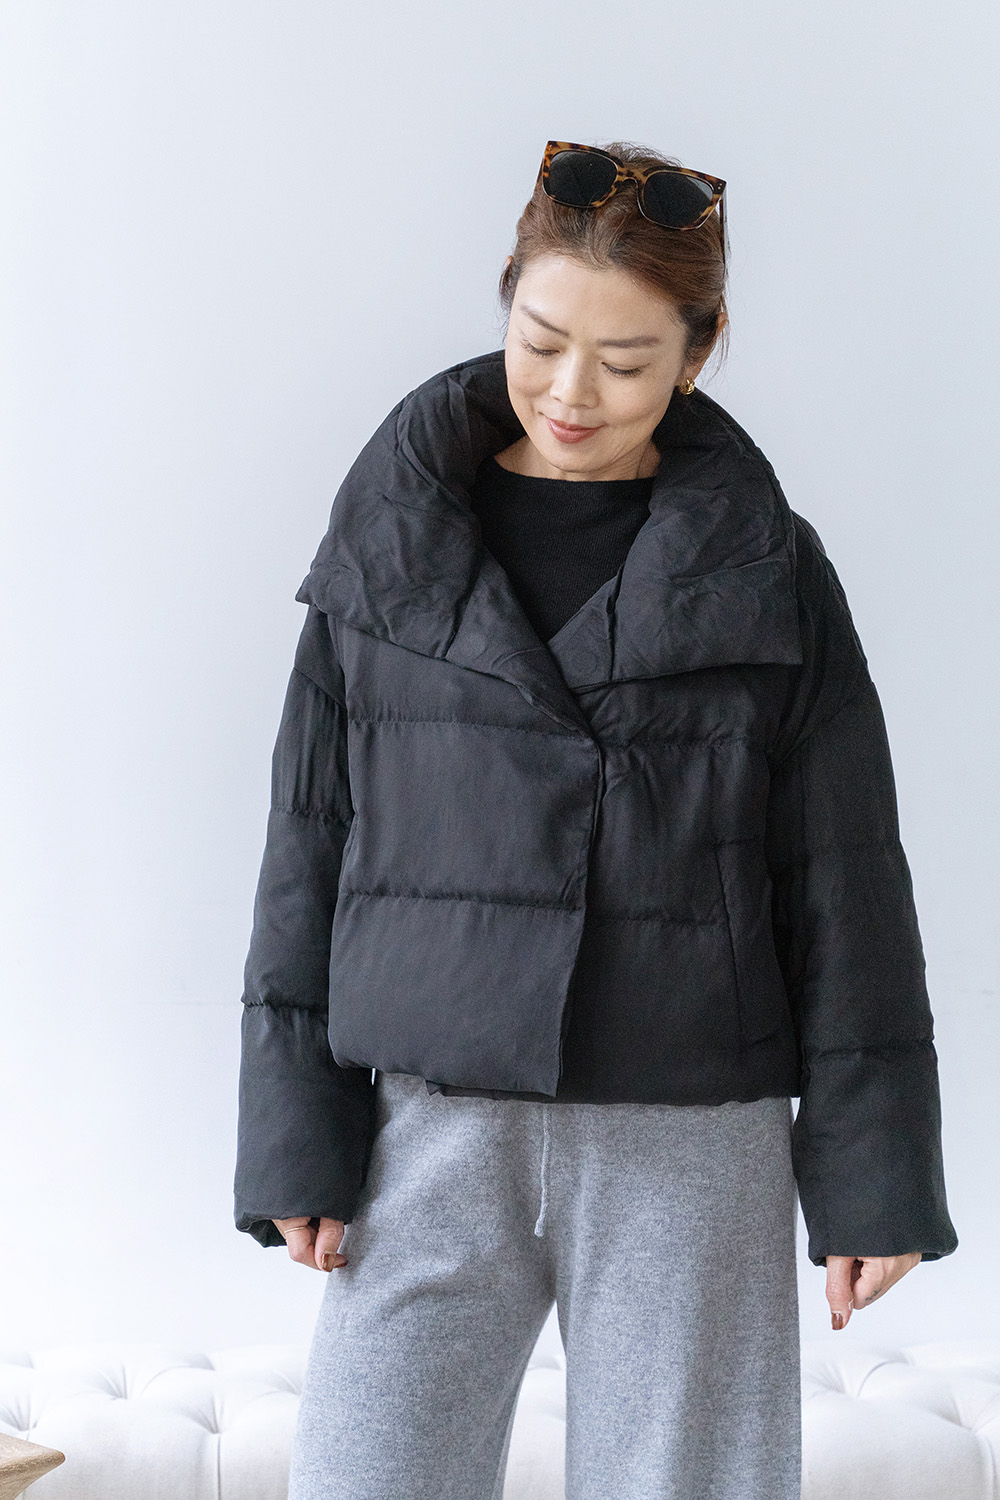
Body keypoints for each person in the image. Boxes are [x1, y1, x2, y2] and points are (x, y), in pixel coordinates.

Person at [233, 139, 958, 1500]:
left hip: (693, 1130)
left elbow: (846, 873)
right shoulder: (395, 534)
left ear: (697, 355)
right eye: (541, 342)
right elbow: (308, 842)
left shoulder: (767, 565)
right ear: (505, 303)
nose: (572, 393)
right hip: (427, 1129)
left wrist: (874, 1175)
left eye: (625, 363)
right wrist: (295, 1138)